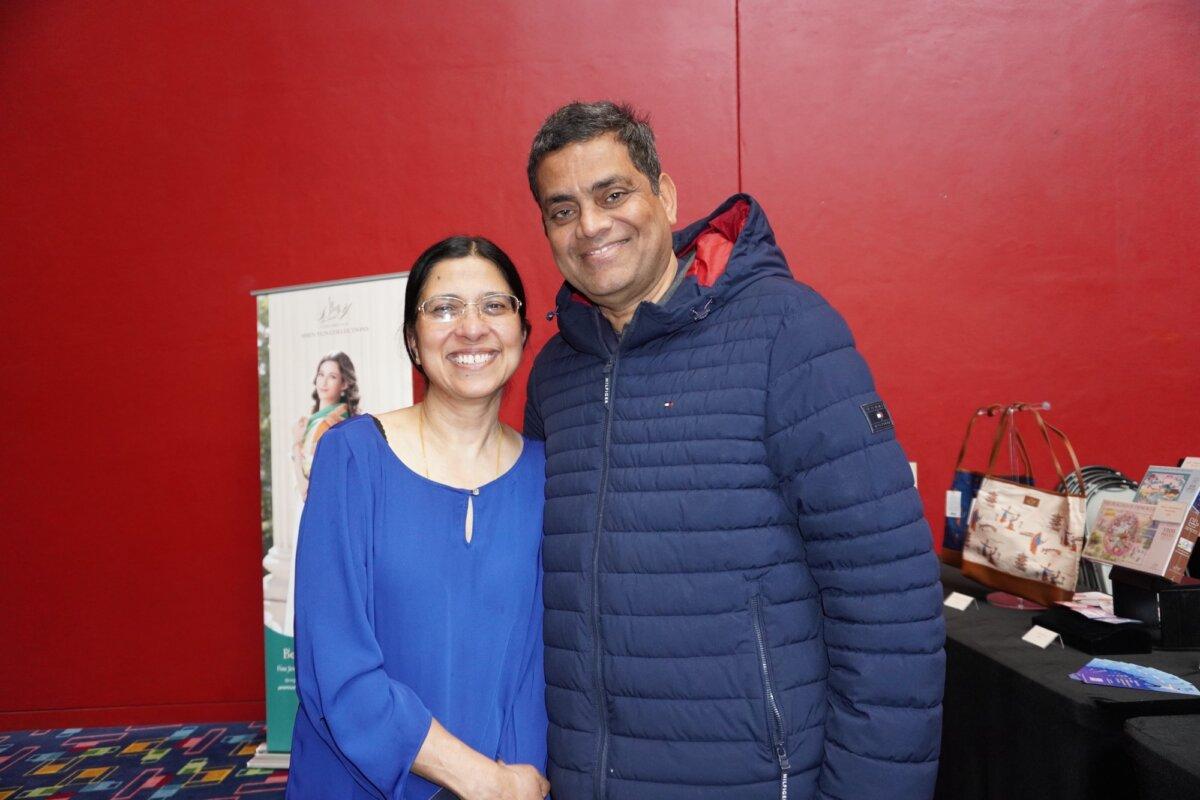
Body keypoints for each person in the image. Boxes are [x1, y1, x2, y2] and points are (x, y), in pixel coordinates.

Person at [523, 102, 945, 800]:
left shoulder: (789, 334)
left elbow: (890, 608)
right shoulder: (554, 375)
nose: (590, 225)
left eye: (613, 193)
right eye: (561, 210)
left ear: (665, 193)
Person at [287, 236, 551, 800]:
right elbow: (335, 669)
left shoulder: (544, 473)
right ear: (413, 338)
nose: (472, 327)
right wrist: (483, 782)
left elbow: (536, 672)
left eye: (494, 306)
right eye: (445, 308)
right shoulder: (353, 458)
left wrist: (519, 782)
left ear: (523, 332)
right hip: (359, 784)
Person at [291, 352, 360, 502]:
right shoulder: (313, 421)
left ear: (344, 384)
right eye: (321, 375)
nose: (323, 382)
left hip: (317, 507)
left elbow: (306, 490)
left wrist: (296, 444)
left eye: (332, 377)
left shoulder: (332, 425)